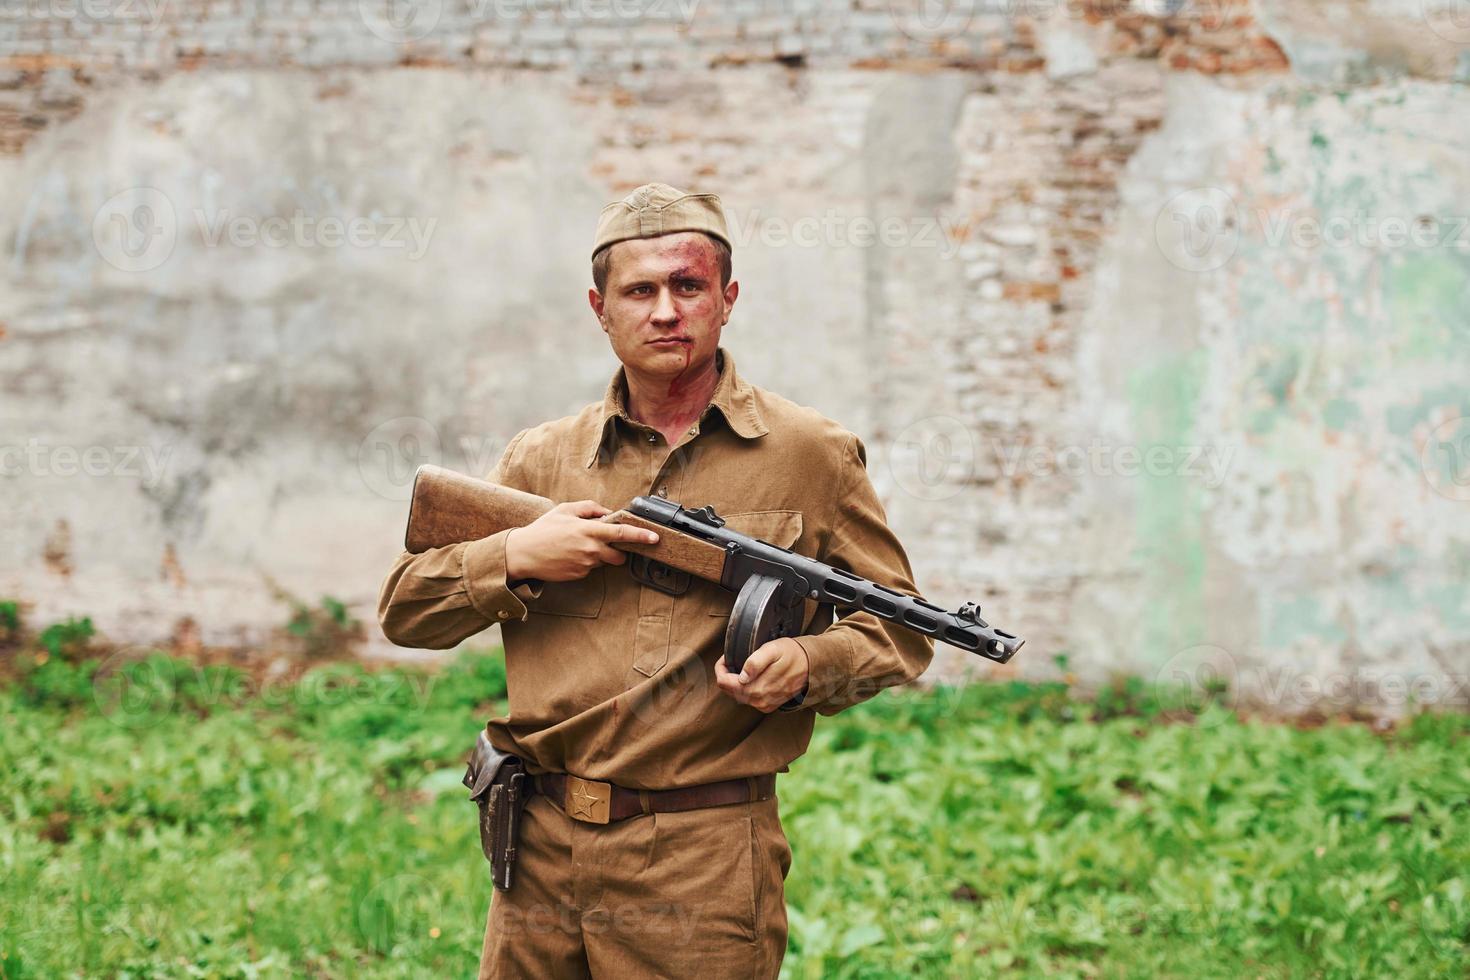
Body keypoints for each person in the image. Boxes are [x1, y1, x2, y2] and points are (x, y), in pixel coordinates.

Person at [378, 182, 934, 978]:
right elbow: (405, 612)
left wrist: (812, 664)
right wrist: (518, 556)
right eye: (640, 291)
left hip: (701, 859)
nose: (666, 311)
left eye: (688, 286)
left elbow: (902, 624)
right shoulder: (542, 457)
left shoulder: (812, 453)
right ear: (600, 309)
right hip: (537, 846)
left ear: (727, 298)